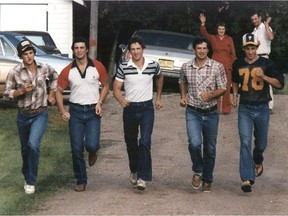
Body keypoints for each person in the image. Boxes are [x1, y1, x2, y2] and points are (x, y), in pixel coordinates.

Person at [231, 33, 284, 193]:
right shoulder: (238, 64)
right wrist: (234, 94)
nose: (250, 51)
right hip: (245, 108)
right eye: (247, 48)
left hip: (262, 108)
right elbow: (234, 80)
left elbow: (280, 84)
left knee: (261, 144)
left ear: (257, 48)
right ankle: (247, 178)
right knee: (245, 142)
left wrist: (265, 76)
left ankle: (258, 160)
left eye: (253, 48)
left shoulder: (267, 63)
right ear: (243, 49)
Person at [3, 40, 58, 194]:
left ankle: (31, 180)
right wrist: (19, 92)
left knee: (33, 145)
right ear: (21, 56)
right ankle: (27, 174)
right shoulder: (15, 72)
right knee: (26, 149)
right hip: (23, 116)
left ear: (34, 53)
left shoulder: (44, 68)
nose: (29, 56)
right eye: (25, 54)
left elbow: (54, 76)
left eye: (31, 53)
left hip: (40, 113)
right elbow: (6, 94)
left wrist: (52, 93)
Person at [55, 37, 109, 192]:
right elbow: (58, 91)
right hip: (76, 112)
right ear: (73, 50)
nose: (78, 50)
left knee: (92, 144)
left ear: (87, 50)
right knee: (76, 148)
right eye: (76, 48)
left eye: (81, 47)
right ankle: (81, 179)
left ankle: (93, 151)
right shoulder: (68, 71)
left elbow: (106, 85)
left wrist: (100, 102)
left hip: (93, 111)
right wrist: (62, 111)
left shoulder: (97, 67)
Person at [113, 36, 163, 191]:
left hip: (147, 108)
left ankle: (143, 177)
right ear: (129, 51)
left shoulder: (152, 65)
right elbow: (116, 87)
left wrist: (159, 97)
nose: (135, 52)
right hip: (130, 109)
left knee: (145, 142)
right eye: (133, 49)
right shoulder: (124, 66)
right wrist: (120, 98)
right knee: (131, 143)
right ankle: (134, 169)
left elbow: (160, 77)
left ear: (143, 49)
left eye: (138, 49)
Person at [179, 37, 227, 192]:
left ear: (208, 50)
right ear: (194, 50)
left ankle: (207, 178)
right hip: (193, 111)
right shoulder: (186, 67)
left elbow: (223, 87)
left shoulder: (216, 66)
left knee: (210, 148)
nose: (201, 51)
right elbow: (182, 81)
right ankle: (198, 170)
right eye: (198, 48)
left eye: (204, 48)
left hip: (211, 112)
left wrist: (212, 94)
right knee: (194, 143)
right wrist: (183, 96)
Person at [199, 13, 237, 114]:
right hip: (215, 66)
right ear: (217, 30)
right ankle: (214, 108)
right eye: (219, 29)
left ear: (225, 30)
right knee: (215, 88)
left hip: (227, 66)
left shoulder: (229, 39)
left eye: (223, 29)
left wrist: (232, 65)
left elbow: (233, 54)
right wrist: (203, 24)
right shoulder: (213, 38)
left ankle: (226, 109)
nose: (221, 31)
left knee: (226, 88)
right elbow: (204, 34)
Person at [251, 12, 275, 112]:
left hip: (264, 57)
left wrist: (266, 25)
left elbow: (271, 37)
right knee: (255, 80)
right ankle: (258, 102)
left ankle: (269, 106)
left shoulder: (266, 27)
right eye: (252, 20)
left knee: (267, 80)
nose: (254, 21)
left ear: (260, 18)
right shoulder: (253, 32)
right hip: (255, 58)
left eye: (255, 19)